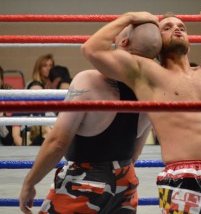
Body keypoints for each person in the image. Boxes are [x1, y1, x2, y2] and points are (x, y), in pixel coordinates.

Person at [81, 7, 201, 213]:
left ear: (189, 41)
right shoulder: (145, 73)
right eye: (167, 28)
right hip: (181, 176)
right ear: (156, 41)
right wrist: (129, 17)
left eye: (182, 27)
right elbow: (92, 49)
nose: (177, 29)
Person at [19, 22, 162, 214]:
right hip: (125, 182)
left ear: (123, 41)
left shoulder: (87, 80)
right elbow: (134, 154)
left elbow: (58, 142)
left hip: (83, 182)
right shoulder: (154, 91)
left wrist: (30, 182)